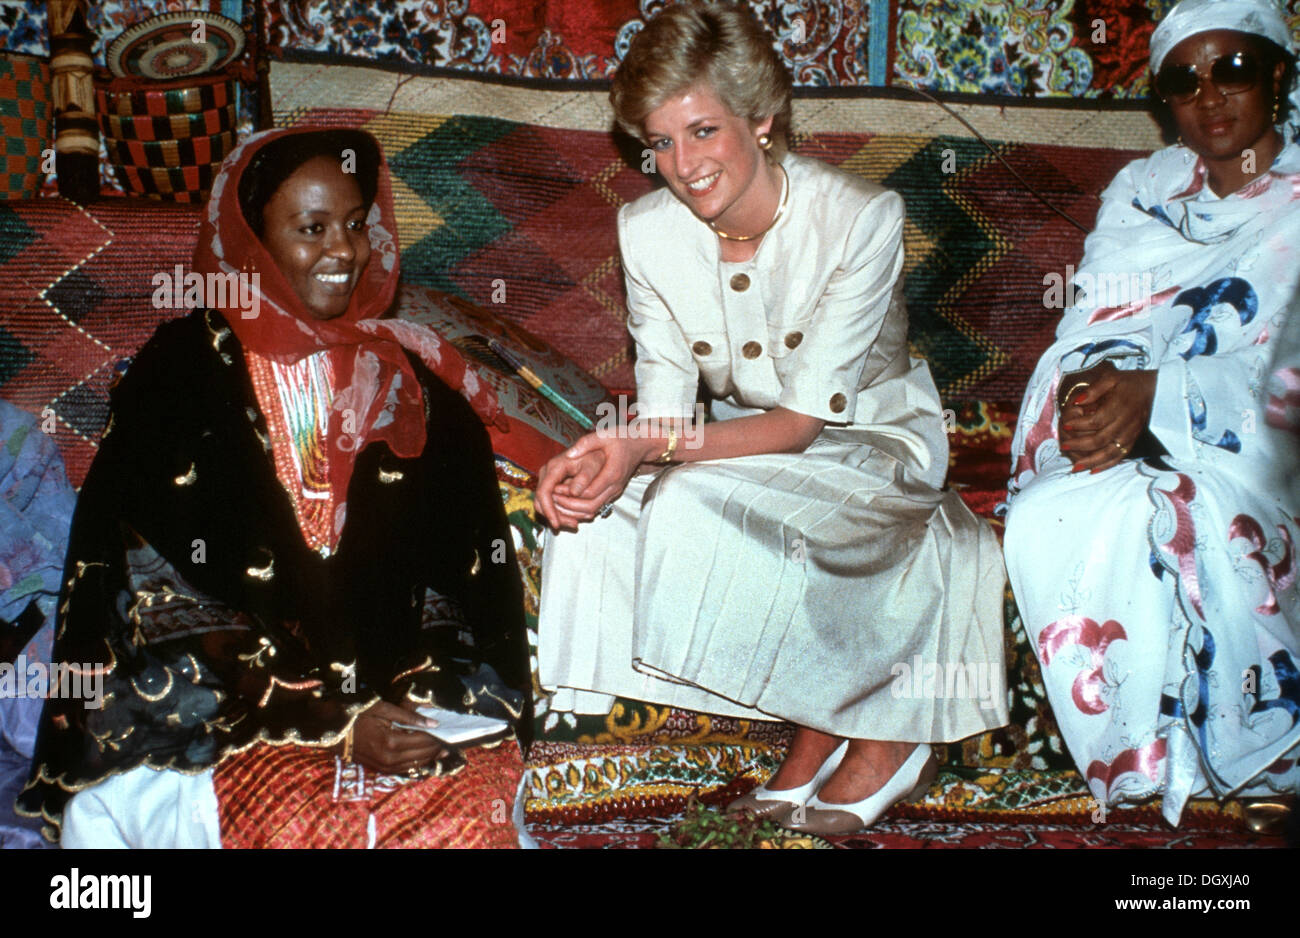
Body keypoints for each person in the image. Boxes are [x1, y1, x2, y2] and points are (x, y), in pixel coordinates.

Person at [534, 1, 1007, 835]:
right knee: (595, 525)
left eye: (704, 131)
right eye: (661, 143)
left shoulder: (861, 218)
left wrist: (644, 447)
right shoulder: (645, 232)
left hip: (868, 445)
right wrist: (603, 457)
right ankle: (823, 718)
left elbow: (795, 426)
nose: (684, 165)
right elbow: (667, 406)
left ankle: (886, 728)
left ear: (762, 118)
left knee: (683, 504)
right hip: (750, 450)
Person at [16, 127, 532, 847]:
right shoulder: (181, 379)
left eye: (355, 224)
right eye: (311, 228)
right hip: (222, 723)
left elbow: (463, 581)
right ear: (252, 242)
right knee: (308, 827)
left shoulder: (415, 391)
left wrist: (426, 699)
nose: (345, 251)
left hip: (394, 707)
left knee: (469, 810)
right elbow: (156, 594)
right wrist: (334, 717)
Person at [1005, 0, 1300, 828]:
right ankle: (1148, 766)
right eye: (1184, 80)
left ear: (1276, 75)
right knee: (1050, 513)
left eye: (1233, 69)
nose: (1210, 96)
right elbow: (1092, 329)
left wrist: (1165, 398)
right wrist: (1089, 395)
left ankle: (1264, 754)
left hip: (1269, 456)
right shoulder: (1143, 191)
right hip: (1153, 432)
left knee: (1207, 515)